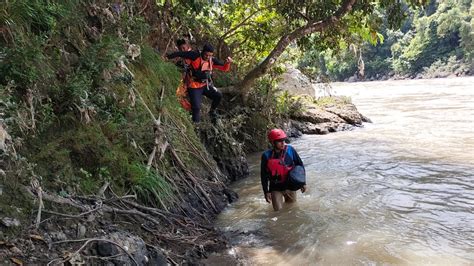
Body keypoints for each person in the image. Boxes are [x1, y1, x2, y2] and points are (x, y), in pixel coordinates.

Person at [167, 43, 232, 123]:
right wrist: (168, 57)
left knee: (218, 96)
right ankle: (195, 124)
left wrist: (228, 63)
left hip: (205, 85)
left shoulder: (211, 60)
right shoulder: (195, 56)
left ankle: (212, 111)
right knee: (196, 108)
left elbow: (224, 68)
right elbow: (180, 54)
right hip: (193, 86)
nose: (208, 57)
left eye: (210, 55)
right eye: (206, 55)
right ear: (202, 52)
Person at [261, 129, 307, 211]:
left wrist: (303, 183)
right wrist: (266, 192)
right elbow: (263, 175)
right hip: (275, 187)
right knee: (278, 212)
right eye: (279, 141)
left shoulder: (290, 150)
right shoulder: (266, 156)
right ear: (272, 142)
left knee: (292, 210)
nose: (283, 143)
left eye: (283, 140)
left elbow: (300, 165)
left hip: (290, 186)